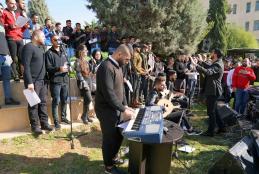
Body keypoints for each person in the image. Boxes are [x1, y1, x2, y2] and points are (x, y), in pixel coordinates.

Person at [95, 44, 135, 174]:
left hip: (116, 108)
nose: (127, 62)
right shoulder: (106, 67)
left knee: (118, 135)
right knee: (109, 138)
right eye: (127, 59)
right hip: (106, 110)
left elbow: (121, 90)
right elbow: (109, 94)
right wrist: (124, 109)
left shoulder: (118, 66)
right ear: (119, 54)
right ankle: (109, 167)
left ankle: (114, 157)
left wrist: (125, 105)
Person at [22, 30, 53, 134]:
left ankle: (44, 123)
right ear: (35, 37)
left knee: (43, 103)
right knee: (33, 104)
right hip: (33, 82)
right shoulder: (28, 47)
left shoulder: (41, 48)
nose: (44, 38)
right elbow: (25, 67)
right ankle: (35, 126)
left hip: (43, 81)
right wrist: (29, 82)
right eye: (43, 36)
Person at [190, 48, 225, 137]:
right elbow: (209, 67)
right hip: (213, 90)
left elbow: (208, 72)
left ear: (216, 54)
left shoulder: (218, 64)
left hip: (214, 91)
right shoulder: (217, 63)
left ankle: (210, 132)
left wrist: (196, 65)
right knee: (215, 111)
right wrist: (201, 62)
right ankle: (222, 128)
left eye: (212, 53)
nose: (211, 54)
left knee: (211, 112)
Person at [45, 35, 70, 129]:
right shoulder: (49, 53)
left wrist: (69, 67)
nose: (58, 41)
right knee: (56, 101)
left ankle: (63, 117)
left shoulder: (64, 51)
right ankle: (56, 121)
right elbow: (48, 68)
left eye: (59, 39)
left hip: (65, 79)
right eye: (55, 40)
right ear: (51, 41)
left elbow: (67, 63)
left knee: (64, 100)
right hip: (55, 81)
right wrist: (58, 69)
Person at [2, 0, 28, 81]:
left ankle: (22, 74)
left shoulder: (17, 14)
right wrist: (10, 26)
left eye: (14, 3)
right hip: (11, 37)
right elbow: (2, 25)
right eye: (11, 3)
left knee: (21, 57)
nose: (13, 5)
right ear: (6, 3)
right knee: (14, 57)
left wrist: (25, 23)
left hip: (19, 37)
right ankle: (15, 75)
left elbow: (22, 27)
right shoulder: (4, 12)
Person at [0, 2, 20, 106]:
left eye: (1, 9)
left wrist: (8, 54)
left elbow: (4, 40)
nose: (0, 11)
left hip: (5, 55)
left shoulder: (2, 24)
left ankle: (8, 99)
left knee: (7, 79)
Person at [74, 44, 94, 124]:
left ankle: (86, 116)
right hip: (83, 82)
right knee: (89, 99)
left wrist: (92, 64)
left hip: (88, 80)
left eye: (86, 50)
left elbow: (90, 71)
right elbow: (78, 73)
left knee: (87, 100)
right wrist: (83, 82)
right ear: (80, 52)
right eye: (85, 50)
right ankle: (84, 116)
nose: (87, 51)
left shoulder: (86, 60)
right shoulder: (77, 61)